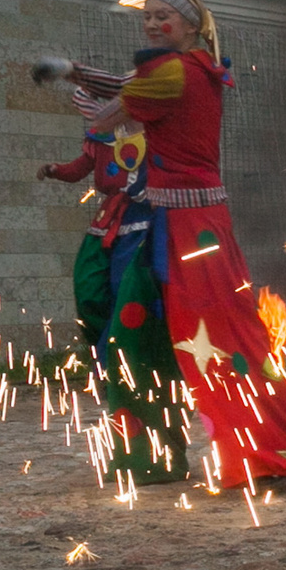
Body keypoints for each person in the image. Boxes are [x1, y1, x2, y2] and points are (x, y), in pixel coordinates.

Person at [73, 0, 286, 488]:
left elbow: (109, 116)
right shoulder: (190, 68)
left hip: (190, 230)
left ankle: (262, 451)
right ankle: (151, 454)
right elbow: (126, 89)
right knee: (136, 333)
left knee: (221, 336)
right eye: (148, 17)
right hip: (170, 224)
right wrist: (77, 74)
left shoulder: (171, 72)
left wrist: (75, 87)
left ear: (191, 25)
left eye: (164, 17)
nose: (154, 25)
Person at [37, 108, 181, 482]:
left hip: (147, 230)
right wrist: (55, 170)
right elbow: (79, 168)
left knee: (131, 330)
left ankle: (154, 449)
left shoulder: (159, 133)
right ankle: (106, 348)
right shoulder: (100, 138)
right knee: (91, 295)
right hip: (108, 231)